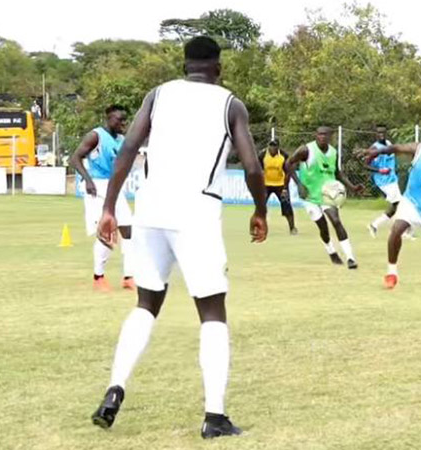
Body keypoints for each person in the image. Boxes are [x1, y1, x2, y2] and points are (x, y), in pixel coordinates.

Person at [89, 36, 267, 439]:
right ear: (218, 68)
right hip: (196, 213)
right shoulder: (230, 103)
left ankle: (114, 389)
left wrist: (109, 208)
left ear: (184, 65)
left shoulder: (158, 95)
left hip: (151, 208)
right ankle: (215, 416)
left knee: (146, 303)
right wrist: (259, 209)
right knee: (212, 311)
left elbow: (128, 149)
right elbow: (253, 166)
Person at [361, 126, 421, 290]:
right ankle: (391, 273)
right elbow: (397, 147)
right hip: (411, 201)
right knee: (397, 229)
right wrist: (378, 152)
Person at [71, 105, 135, 292]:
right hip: (96, 186)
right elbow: (74, 158)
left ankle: (128, 276)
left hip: (114, 187)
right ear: (108, 119)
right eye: (118, 120)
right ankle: (98, 277)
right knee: (106, 232)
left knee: (129, 231)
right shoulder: (95, 136)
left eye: (124, 120)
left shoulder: (122, 140)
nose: (122, 123)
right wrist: (88, 180)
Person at [285, 126, 364, 269]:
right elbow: (288, 164)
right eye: (319, 134)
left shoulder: (333, 152)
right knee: (323, 227)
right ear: (316, 135)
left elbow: (338, 173)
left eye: (325, 135)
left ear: (330, 137)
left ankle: (350, 258)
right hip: (309, 196)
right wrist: (298, 184)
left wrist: (352, 187)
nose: (322, 137)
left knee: (336, 221)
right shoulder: (306, 150)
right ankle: (331, 252)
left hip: (328, 194)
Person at [365, 124, 402, 237]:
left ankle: (375, 225)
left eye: (383, 133)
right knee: (399, 204)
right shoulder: (374, 148)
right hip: (383, 180)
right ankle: (402, 231)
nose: (381, 135)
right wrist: (379, 170)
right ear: (375, 135)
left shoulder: (389, 144)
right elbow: (365, 165)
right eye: (379, 133)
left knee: (396, 205)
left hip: (392, 178)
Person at [260, 139, 297, 235]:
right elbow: (257, 168)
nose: (272, 148)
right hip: (266, 185)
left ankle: (292, 228)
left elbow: (288, 172)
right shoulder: (263, 155)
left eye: (274, 146)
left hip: (280, 185)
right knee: (260, 207)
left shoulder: (284, 156)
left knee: (287, 206)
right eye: (271, 146)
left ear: (278, 147)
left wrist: (285, 188)